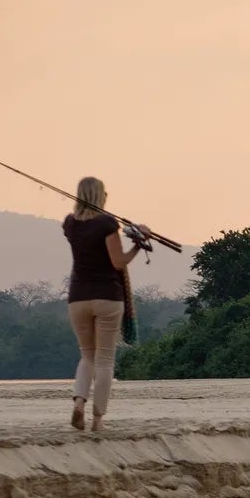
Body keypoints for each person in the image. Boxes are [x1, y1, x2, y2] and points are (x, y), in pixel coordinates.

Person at [63, 177, 167, 432]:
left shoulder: (70, 224)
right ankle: (98, 419)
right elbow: (117, 262)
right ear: (100, 196)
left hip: (78, 297)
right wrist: (137, 243)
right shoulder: (107, 223)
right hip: (108, 296)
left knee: (87, 355)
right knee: (105, 360)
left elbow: (86, 231)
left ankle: (79, 403)